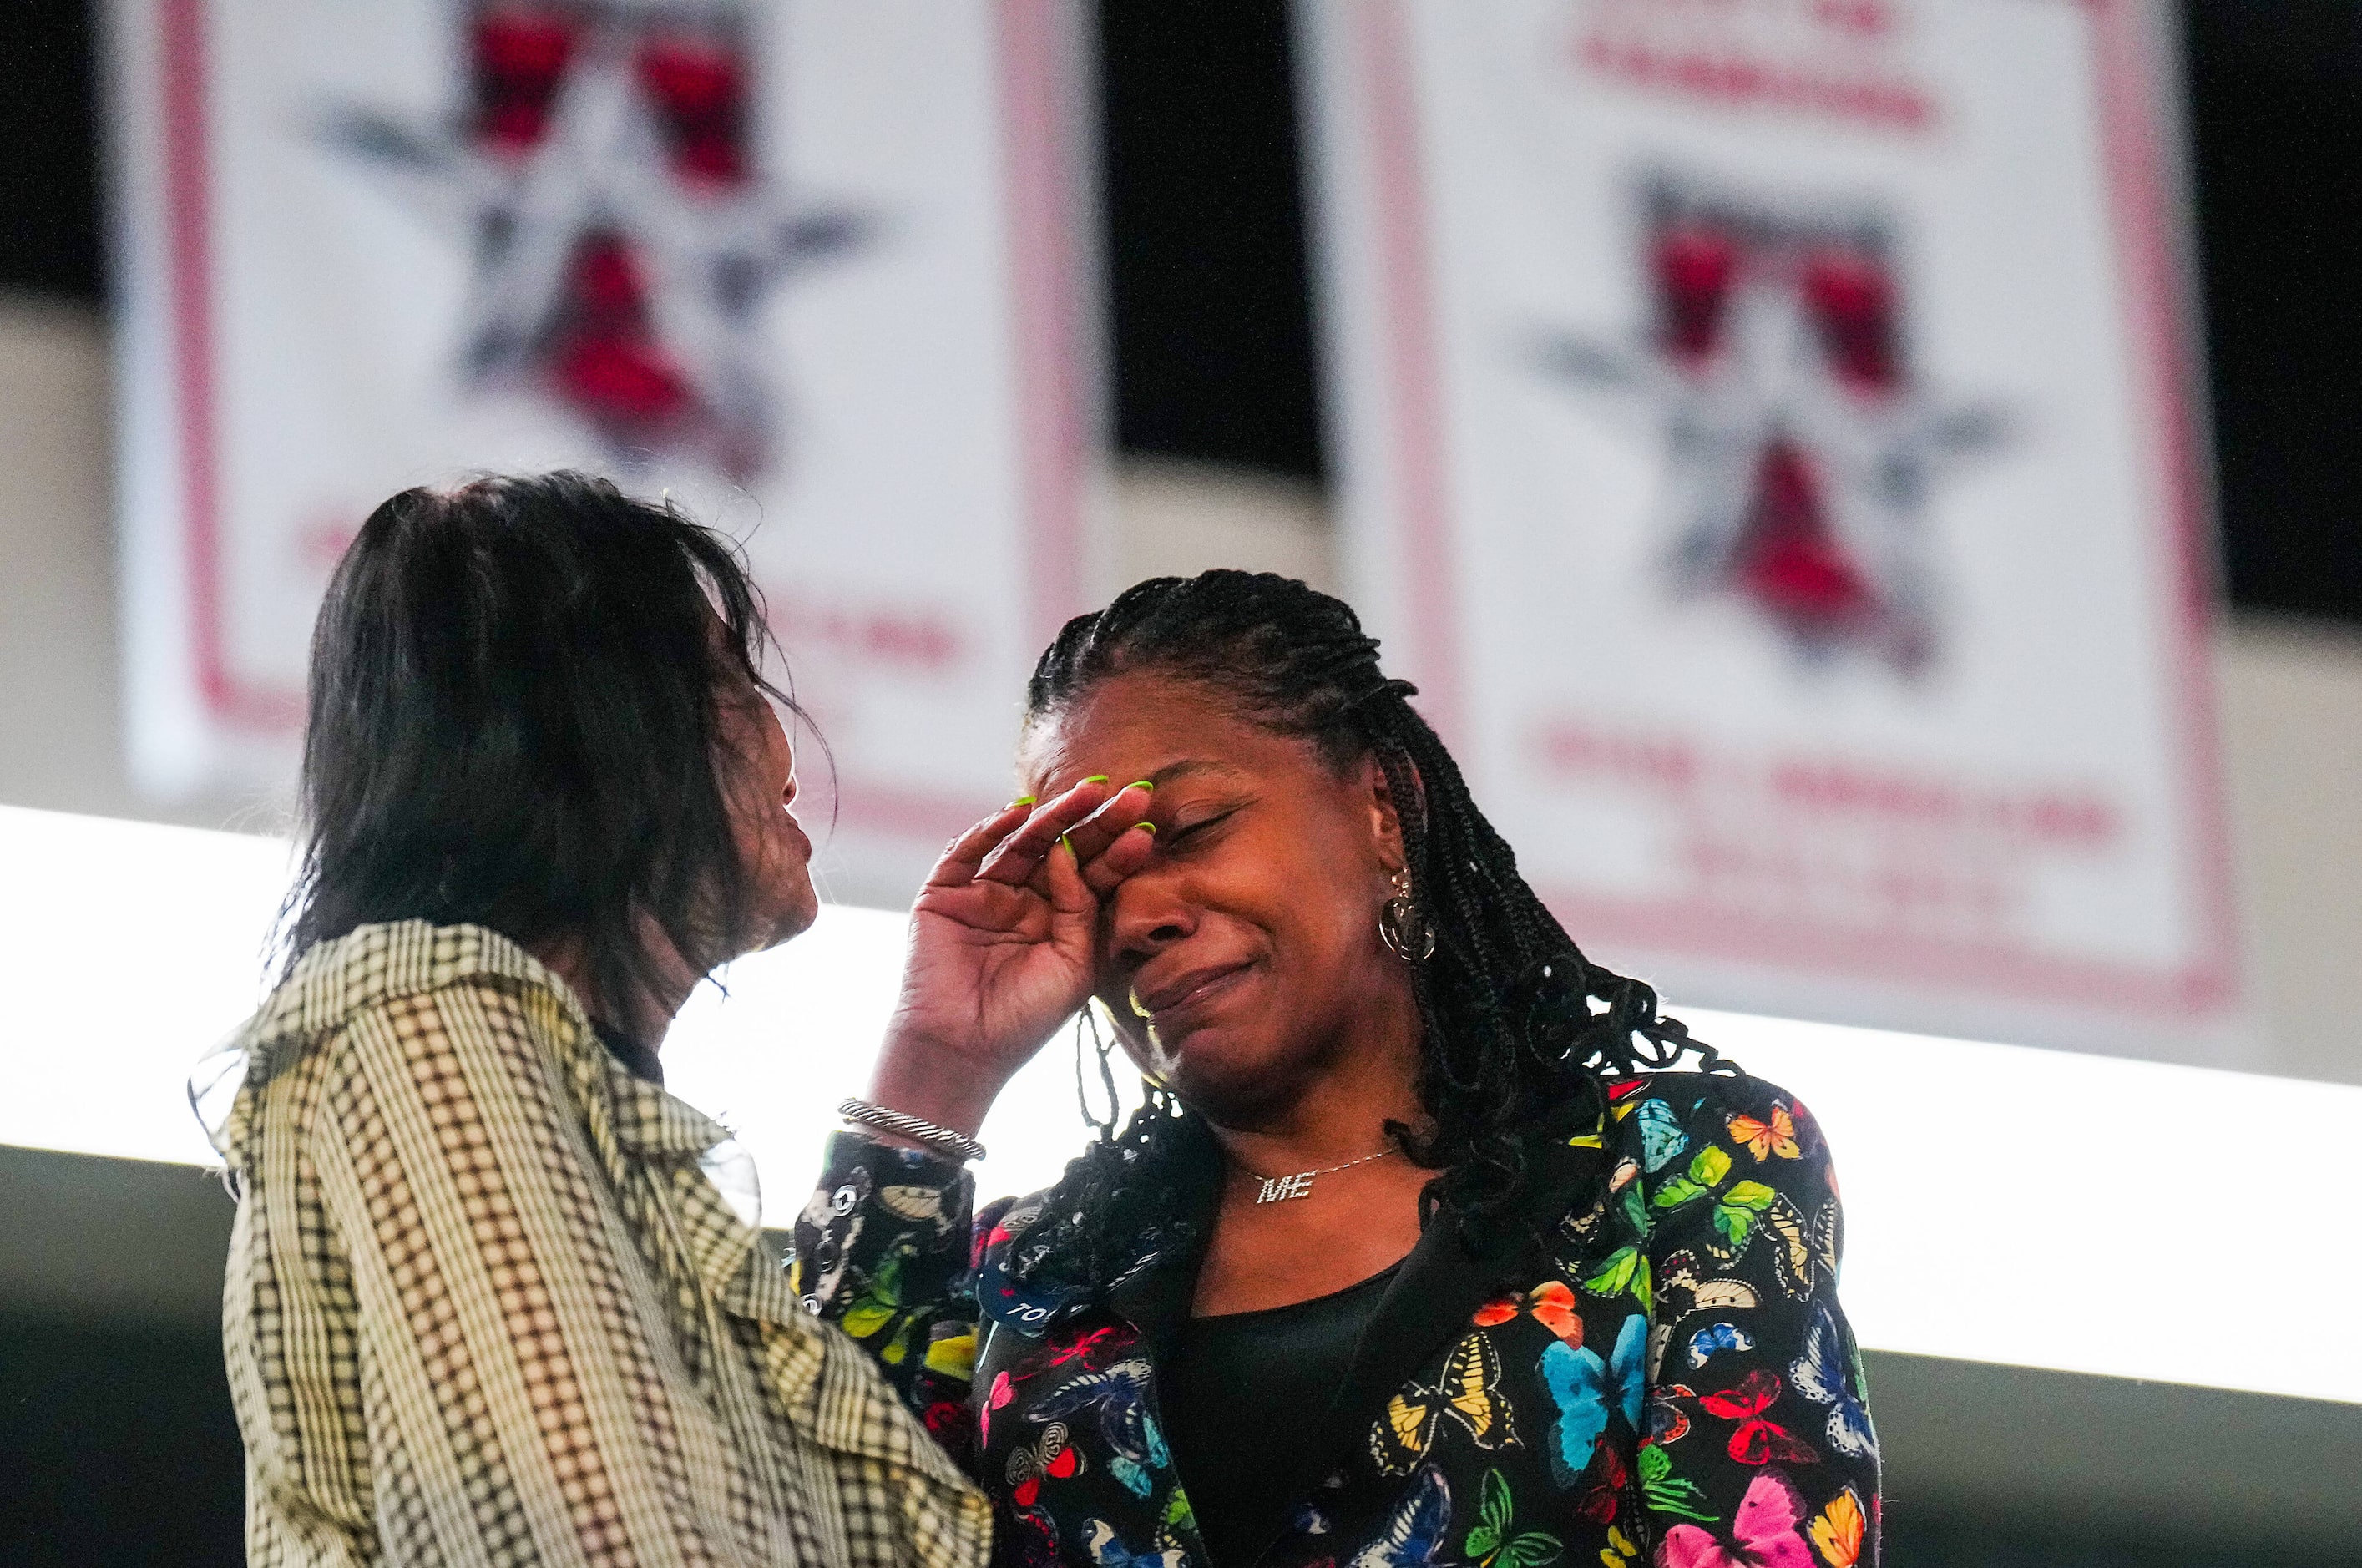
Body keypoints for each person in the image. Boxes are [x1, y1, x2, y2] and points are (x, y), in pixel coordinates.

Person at [798, 571, 1879, 1568]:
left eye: (1190, 827)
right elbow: (815, 1510)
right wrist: (932, 1068)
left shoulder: (1674, 1171)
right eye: (1086, 881)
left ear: (1381, 807)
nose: (1137, 914)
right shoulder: (1032, 1276)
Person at [205, 473, 986, 1568]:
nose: (779, 741)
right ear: (606, 728)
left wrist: (937, 1069)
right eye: (727, 681)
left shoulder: (527, 1081)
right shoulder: (431, 1025)